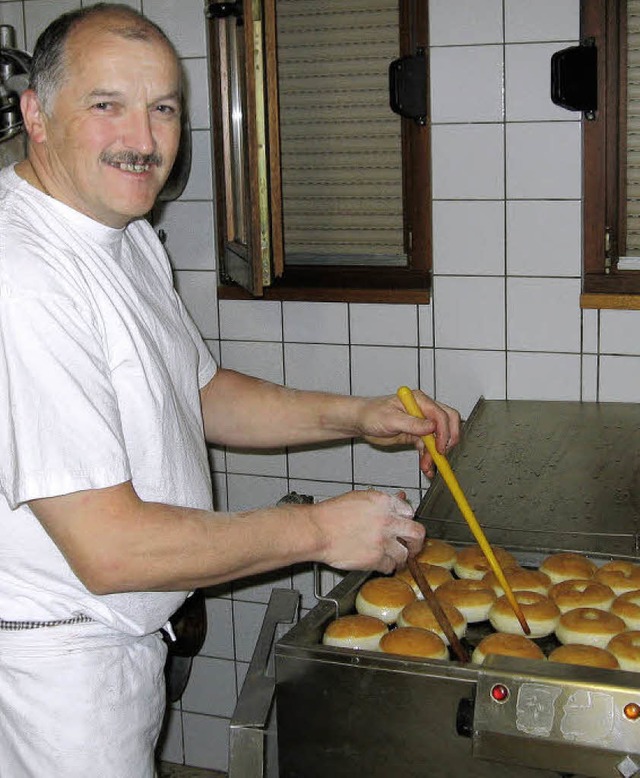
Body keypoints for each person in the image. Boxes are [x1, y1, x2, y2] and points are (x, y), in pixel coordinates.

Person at [0, 4, 460, 777]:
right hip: (54, 669)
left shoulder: (125, 237)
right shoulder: (26, 276)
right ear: (36, 115)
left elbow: (201, 392)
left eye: (163, 109)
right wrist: (316, 534)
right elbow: (110, 549)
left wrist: (359, 416)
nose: (143, 142)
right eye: (107, 105)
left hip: (119, 641)